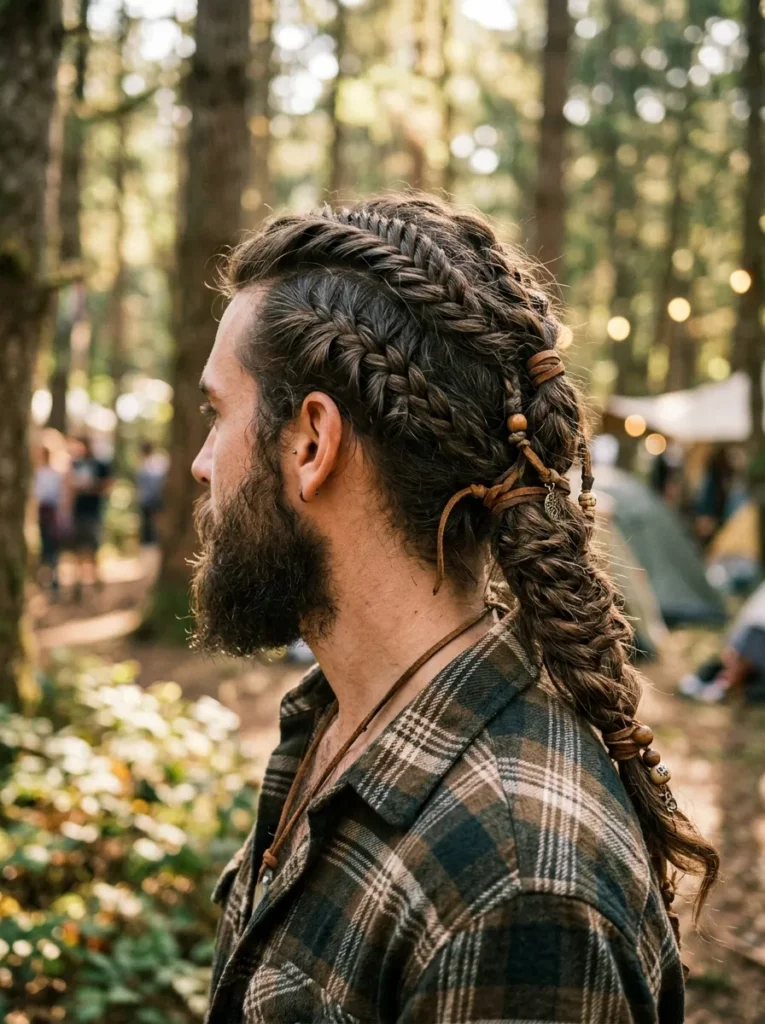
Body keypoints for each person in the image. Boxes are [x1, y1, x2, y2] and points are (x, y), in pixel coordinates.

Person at [190, 197, 718, 1023]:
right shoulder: (339, 720)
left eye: (216, 414)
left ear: (311, 444)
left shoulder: (515, 885)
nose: (200, 463)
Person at [69, 436, 112, 598]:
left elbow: (108, 484)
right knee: (78, 549)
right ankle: (78, 582)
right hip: (78, 512)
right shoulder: (75, 464)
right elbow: (69, 486)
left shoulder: (100, 465)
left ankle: (96, 580)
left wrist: (92, 487)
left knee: (93, 548)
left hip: (93, 512)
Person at [34, 446, 63, 598]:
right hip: (43, 513)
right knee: (45, 549)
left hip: (52, 513)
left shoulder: (54, 474)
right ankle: (45, 583)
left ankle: (54, 584)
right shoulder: (39, 473)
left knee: (52, 549)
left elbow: (58, 496)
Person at [135, 441, 167, 546]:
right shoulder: (146, 464)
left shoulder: (154, 463)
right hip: (148, 501)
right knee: (148, 528)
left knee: (153, 526)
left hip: (152, 500)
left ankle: (155, 544)